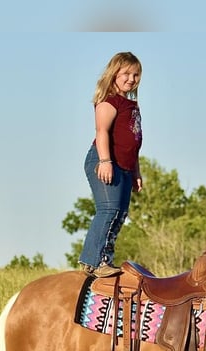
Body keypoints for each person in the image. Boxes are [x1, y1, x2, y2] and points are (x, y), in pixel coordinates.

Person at [78, 52, 143, 278]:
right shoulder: (109, 101)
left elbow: (133, 142)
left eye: (136, 75)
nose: (131, 79)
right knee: (109, 209)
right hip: (104, 160)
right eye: (126, 73)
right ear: (114, 73)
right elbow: (102, 132)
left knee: (120, 213)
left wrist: (136, 171)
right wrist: (105, 162)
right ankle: (94, 261)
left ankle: (105, 257)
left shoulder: (130, 104)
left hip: (125, 167)